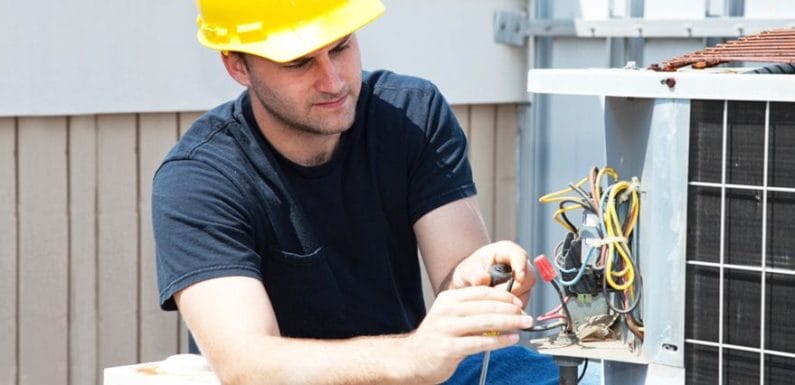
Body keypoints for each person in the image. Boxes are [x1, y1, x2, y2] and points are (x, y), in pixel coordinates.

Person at [152, 0, 557, 384]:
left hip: (414, 374)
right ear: (237, 65)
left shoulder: (412, 116)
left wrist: (476, 276)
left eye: (342, 47)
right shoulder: (198, 179)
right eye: (299, 62)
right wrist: (413, 357)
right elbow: (246, 364)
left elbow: (457, 276)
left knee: (521, 366)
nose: (333, 80)